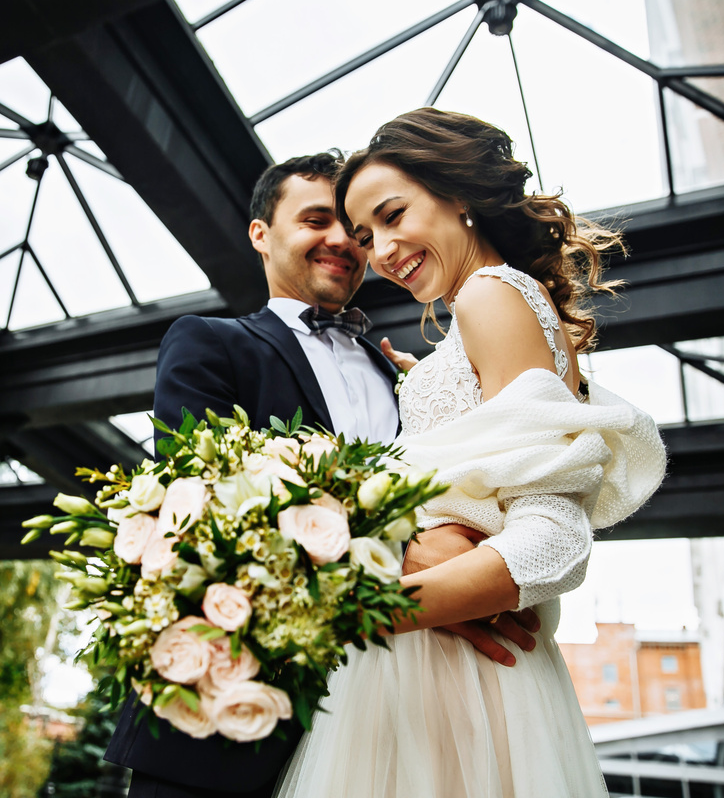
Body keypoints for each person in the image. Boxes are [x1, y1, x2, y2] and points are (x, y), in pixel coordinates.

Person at [104, 150, 539, 798]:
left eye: (357, 233)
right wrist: (409, 565)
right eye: (315, 220)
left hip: (393, 729)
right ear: (261, 234)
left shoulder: (410, 375)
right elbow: (210, 499)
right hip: (228, 724)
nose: (342, 241)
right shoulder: (207, 343)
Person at [274, 108, 668, 798]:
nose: (384, 250)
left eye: (395, 215)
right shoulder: (494, 303)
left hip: (450, 672)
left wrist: (355, 610)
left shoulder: (490, 295)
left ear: (458, 197)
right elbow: (488, 458)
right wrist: (422, 379)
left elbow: (552, 540)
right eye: (369, 237)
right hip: (448, 665)